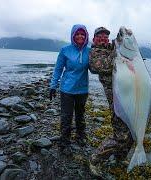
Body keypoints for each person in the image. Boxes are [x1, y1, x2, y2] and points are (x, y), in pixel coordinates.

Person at [88, 27, 134, 175]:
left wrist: (126, 36)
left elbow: (127, 49)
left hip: (128, 97)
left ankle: (120, 158)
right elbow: (104, 66)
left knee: (132, 132)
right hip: (116, 102)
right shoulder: (95, 53)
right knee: (120, 135)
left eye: (105, 36)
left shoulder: (113, 47)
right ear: (94, 39)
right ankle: (95, 159)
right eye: (99, 36)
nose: (103, 38)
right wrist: (118, 48)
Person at [49, 24, 90, 155]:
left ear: (86, 36)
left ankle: (80, 135)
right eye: (77, 34)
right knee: (66, 116)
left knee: (80, 114)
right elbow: (58, 69)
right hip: (67, 89)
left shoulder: (90, 51)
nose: (80, 36)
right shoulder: (65, 50)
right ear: (73, 35)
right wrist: (53, 85)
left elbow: (95, 68)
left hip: (82, 89)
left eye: (82, 34)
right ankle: (64, 142)